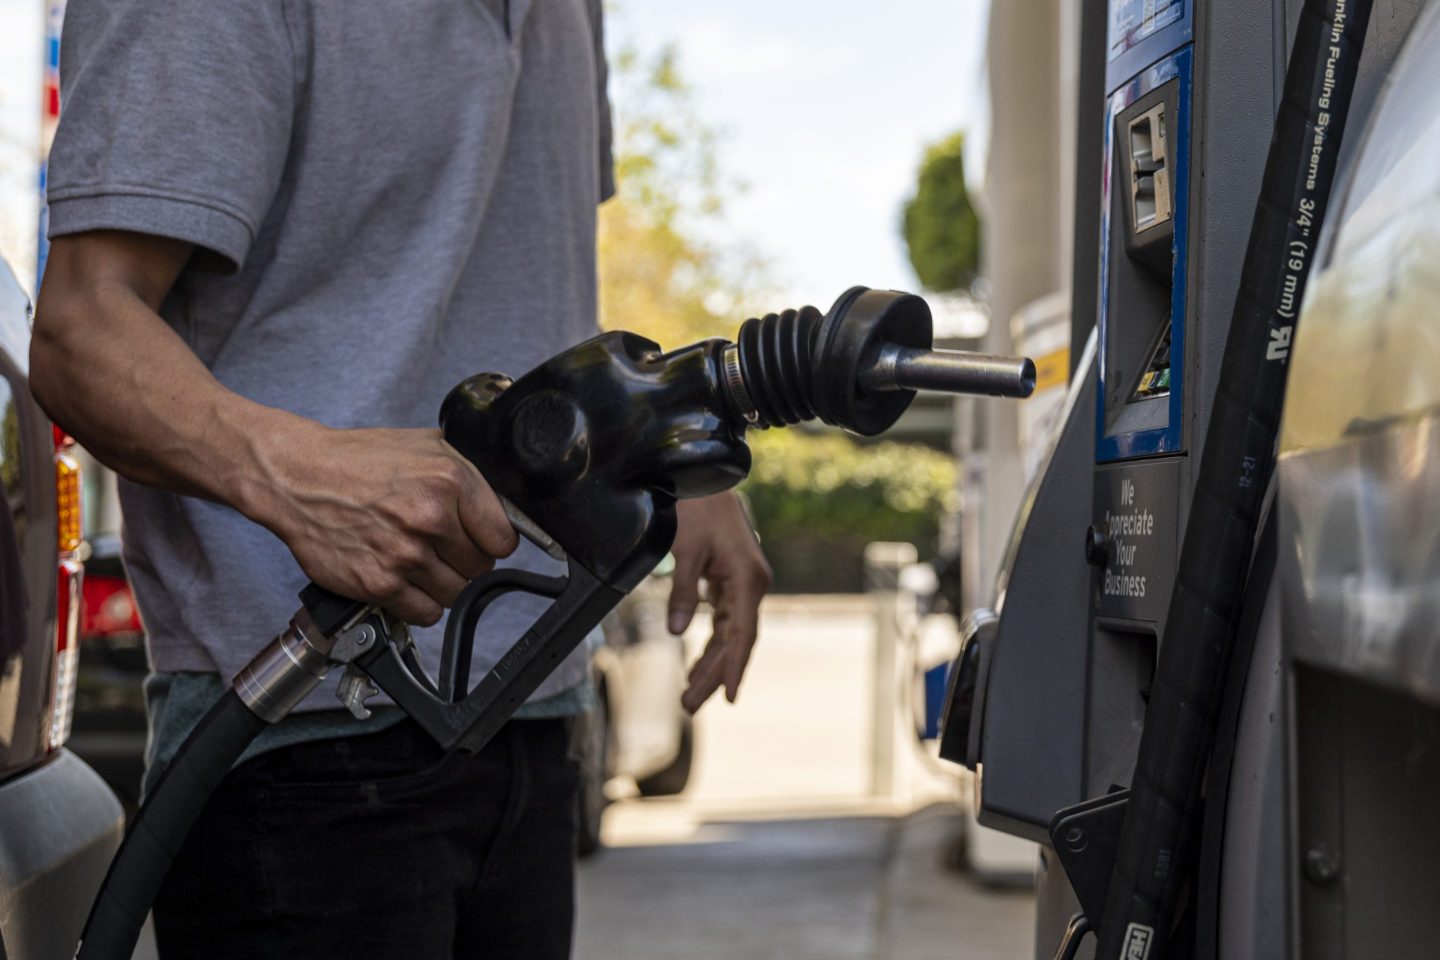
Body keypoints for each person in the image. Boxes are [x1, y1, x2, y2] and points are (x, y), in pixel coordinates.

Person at [30, 1, 771, 957]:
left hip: (538, 707)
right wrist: (295, 477)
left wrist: (653, 450)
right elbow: (80, 330)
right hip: (299, 739)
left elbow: (509, 286)